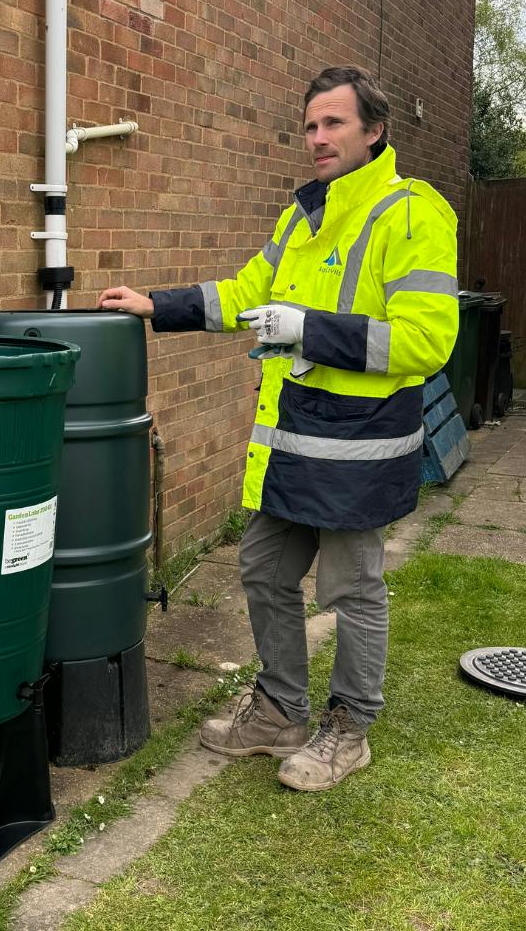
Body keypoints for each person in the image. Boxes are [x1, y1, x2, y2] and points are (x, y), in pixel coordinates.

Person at [99, 66, 458, 791]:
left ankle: (350, 729)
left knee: (352, 590)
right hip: (293, 439)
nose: (317, 139)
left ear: (374, 131)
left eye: (333, 124)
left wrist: (312, 332)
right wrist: (154, 305)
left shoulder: (412, 213)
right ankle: (280, 712)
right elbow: (245, 294)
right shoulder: (301, 216)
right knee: (263, 569)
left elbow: (428, 340)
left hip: (360, 445)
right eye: (310, 126)